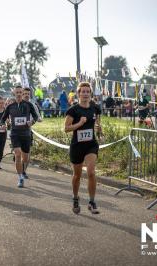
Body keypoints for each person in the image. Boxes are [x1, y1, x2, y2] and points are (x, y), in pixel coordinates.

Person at [64, 82, 102, 214]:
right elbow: (66, 128)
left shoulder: (95, 108)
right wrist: (80, 123)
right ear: (78, 94)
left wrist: (99, 129)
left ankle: (92, 202)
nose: (85, 94)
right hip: (77, 146)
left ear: (90, 94)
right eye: (83, 92)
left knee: (91, 172)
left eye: (87, 92)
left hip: (91, 144)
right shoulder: (73, 110)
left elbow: (98, 124)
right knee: (77, 175)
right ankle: (75, 198)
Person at [1, 85, 39, 187]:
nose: (18, 94)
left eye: (20, 93)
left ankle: (22, 170)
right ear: (14, 93)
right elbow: (2, 119)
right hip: (15, 133)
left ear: (22, 93)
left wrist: (32, 122)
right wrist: (3, 124)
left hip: (26, 134)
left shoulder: (28, 105)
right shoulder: (10, 107)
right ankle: (20, 177)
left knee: (25, 158)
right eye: (17, 92)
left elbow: (35, 116)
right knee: (17, 154)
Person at [22, 87, 42, 179]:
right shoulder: (17, 104)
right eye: (25, 94)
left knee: (28, 154)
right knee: (19, 154)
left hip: (28, 131)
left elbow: (37, 117)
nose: (26, 95)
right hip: (17, 132)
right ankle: (20, 169)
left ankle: (24, 171)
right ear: (22, 94)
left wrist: (32, 122)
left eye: (28, 94)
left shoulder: (32, 105)